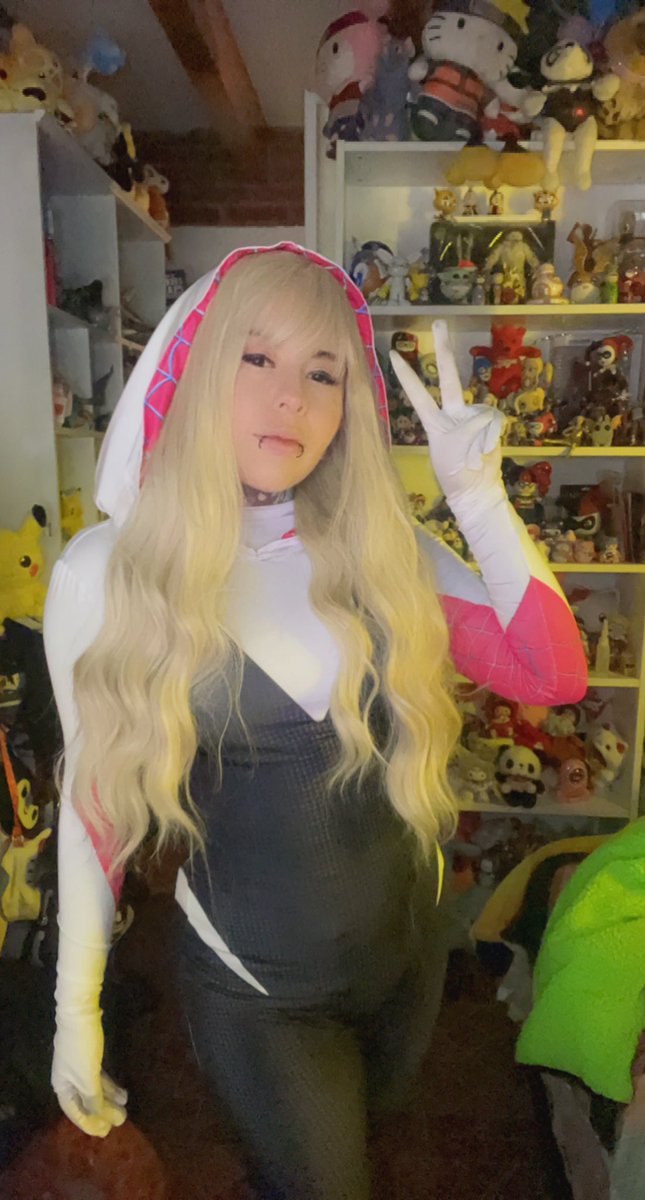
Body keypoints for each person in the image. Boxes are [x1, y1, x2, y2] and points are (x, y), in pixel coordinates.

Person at [43, 242, 587, 1199]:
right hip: (256, 991)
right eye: (255, 357)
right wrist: (72, 1011)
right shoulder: (111, 573)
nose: (288, 397)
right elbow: (94, 809)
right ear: (198, 371)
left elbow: (552, 674)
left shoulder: (381, 549)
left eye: (322, 372)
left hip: (406, 960)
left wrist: (476, 497)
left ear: (348, 406)